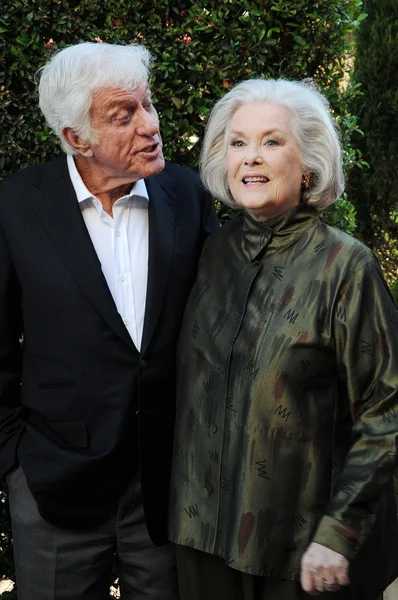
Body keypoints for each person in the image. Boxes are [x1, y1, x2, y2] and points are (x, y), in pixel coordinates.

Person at [0, 42, 218, 600]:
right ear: (77, 138)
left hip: (167, 488)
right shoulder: (16, 206)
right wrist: (15, 465)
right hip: (55, 487)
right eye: (124, 114)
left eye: (148, 105)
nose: (150, 125)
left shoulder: (188, 196)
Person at [168, 78, 398, 600]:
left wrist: (340, 533)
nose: (251, 157)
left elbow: (388, 408)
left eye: (272, 142)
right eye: (238, 142)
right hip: (201, 539)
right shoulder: (212, 253)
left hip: (301, 553)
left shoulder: (345, 265)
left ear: (309, 162)